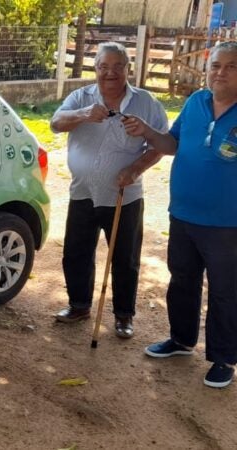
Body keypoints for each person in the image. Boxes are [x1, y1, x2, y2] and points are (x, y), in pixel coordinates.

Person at [122, 41, 237, 388]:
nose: (220, 72)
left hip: (227, 224)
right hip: (183, 214)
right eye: (216, 65)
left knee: (225, 292)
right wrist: (146, 131)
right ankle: (181, 340)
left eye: (231, 67)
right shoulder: (195, 102)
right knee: (183, 280)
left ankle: (223, 358)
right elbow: (172, 145)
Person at [50, 42, 168, 339]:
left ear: (128, 69)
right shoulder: (81, 97)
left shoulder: (146, 102)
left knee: (125, 258)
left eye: (118, 66)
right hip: (83, 192)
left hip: (123, 196)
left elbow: (160, 145)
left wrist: (135, 169)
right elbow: (55, 124)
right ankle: (78, 306)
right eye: (104, 67)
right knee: (76, 252)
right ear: (96, 69)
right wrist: (82, 114)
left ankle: (124, 315)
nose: (110, 73)